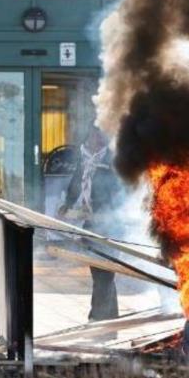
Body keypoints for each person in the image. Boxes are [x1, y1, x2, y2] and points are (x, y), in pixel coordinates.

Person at [57, 128, 123, 321]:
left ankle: (98, 317)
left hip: (110, 224)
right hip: (92, 223)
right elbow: (77, 182)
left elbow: (119, 192)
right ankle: (108, 318)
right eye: (94, 134)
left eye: (101, 134)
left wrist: (107, 214)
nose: (98, 138)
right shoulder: (86, 157)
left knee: (105, 272)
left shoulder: (112, 160)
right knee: (100, 272)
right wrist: (67, 204)